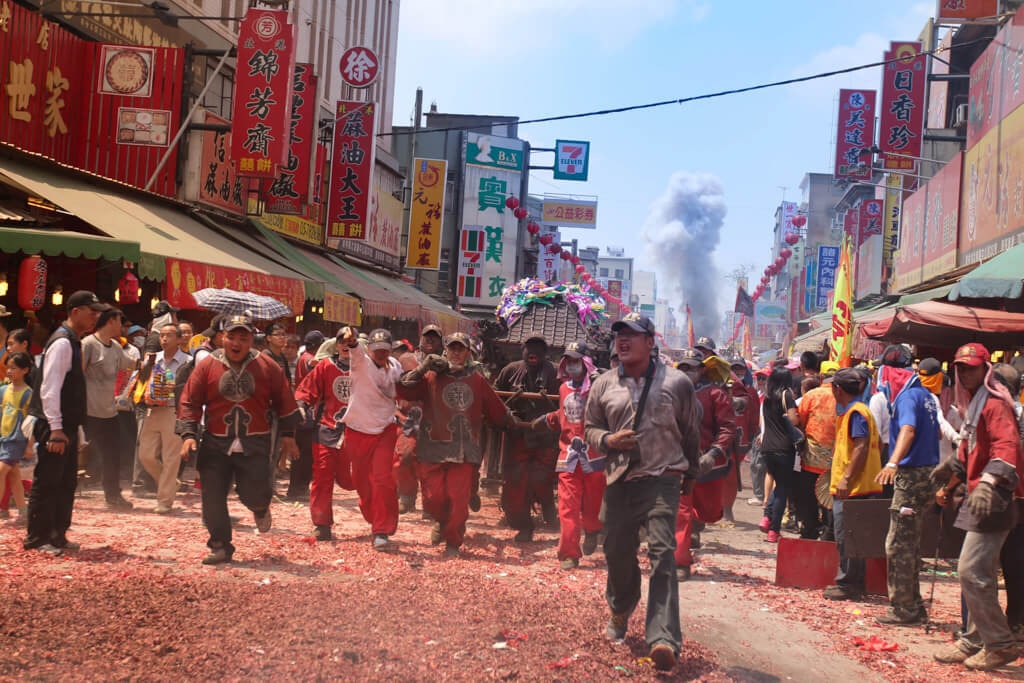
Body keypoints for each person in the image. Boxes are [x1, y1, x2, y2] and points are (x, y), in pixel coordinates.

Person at [584, 313, 700, 672]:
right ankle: (621, 606)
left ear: (651, 342)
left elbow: (690, 431)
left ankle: (663, 638)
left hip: (663, 476)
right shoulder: (603, 384)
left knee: (664, 553)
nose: (623, 340)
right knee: (616, 549)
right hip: (619, 478)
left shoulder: (677, 383)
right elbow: (590, 428)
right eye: (620, 334)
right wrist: (607, 440)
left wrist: (692, 473)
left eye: (633, 335)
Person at [176, 314, 299, 564]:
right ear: (222, 338)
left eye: (243, 338)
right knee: (212, 495)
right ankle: (220, 545)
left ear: (251, 340)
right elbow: (190, 400)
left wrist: (288, 436)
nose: (236, 343)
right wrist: (188, 434)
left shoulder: (267, 366)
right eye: (231, 337)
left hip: (255, 441)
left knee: (253, 492)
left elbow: (285, 399)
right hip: (215, 440)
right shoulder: (207, 365)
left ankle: (260, 507)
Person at [933, 344, 1024, 671]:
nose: (964, 373)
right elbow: (972, 446)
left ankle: (998, 643)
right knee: (977, 572)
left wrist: (987, 483)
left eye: (970, 368)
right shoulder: (975, 402)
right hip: (978, 494)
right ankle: (975, 639)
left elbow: (1006, 447)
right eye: (960, 368)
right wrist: (953, 468)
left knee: (971, 571)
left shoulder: (995, 404)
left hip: (994, 497)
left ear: (985, 369)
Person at [397, 333, 517, 556]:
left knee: (458, 500)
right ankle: (441, 523)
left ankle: (453, 540)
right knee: (432, 499)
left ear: (468, 353)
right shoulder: (431, 376)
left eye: (460, 349)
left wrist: (512, 421)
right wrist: (422, 368)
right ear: (445, 350)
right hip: (433, 449)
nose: (455, 352)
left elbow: (495, 409)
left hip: (463, 452)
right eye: (452, 348)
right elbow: (402, 388)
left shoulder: (477, 380)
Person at [24, 290, 107, 556]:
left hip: (67, 425)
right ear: (75, 312)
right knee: (48, 480)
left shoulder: (74, 341)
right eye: (91, 311)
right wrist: (57, 429)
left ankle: (58, 533)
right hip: (53, 425)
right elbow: (50, 388)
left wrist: (74, 428)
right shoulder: (61, 342)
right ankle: (37, 538)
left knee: (66, 481)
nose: (95, 316)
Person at [874, 346, 940, 626]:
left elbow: (908, 430)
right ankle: (913, 605)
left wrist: (892, 462)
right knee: (910, 543)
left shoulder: (907, 397)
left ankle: (903, 609)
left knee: (898, 543)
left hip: (911, 475)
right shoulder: (926, 395)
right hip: (928, 472)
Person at [531, 342, 606, 569]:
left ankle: (593, 530)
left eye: (576, 361)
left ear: (586, 363)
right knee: (567, 507)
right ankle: (570, 553)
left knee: (593, 506)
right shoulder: (564, 388)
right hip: (568, 457)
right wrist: (548, 419)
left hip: (594, 457)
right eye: (569, 361)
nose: (572, 365)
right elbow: (564, 413)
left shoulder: (600, 386)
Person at [338, 326, 402, 550]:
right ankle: (374, 515)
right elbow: (354, 349)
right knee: (362, 483)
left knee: (382, 478)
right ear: (368, 349)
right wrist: (351, 339)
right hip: (357, 430)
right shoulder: (360, 362)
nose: (381, 353)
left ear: (390, 349)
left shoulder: (396, 367)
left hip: (385, 429)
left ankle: (381, 530)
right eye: (376, 349)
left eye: (385, 349)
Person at [674, 348, 736, 579]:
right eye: (683, 367)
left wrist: (714, 453)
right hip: (678, 463)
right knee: (680, 513)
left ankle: (697, 523)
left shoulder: (715, 394)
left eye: (692, 367)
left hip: (708, 463)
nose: (688, 371)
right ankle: (680, 561)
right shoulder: (670, 392)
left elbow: (728, 427)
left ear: (702, 370)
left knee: (709, 512)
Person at [823, 368, 882, 601]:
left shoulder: (856, 413)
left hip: (854, 487)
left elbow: (861, 445)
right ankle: (853, 583)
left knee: (847, 537)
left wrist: (846, 477)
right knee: (853, 538)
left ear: (838, 390)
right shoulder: (858, 411)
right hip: (860, 485)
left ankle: (849, 584)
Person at [494, 332, 560, 542]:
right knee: (515, 483)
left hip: (545, 439)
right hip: (518, 437)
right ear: (523, 350)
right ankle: (523, 525)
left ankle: (548, 509)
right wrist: (507, 414)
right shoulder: (510, 371)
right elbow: (495, 396)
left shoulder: (556, 372)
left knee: (542, 480)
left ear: (545, 352)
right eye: (529, 347)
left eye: (538, 348)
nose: (533, 352)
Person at [294, 329, 354, 540]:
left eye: (351, 341)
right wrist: (301, 405)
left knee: (353, 481)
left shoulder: (366, 368)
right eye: (342, 341)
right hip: (327, 429)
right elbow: (306, 390)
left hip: (358, 432)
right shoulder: (326, 366)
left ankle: (377, 522)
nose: (346, 345)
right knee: (321, 477)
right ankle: (321, 524)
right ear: (336, 344)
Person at [82, 307, 137, 509]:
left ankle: (113, 494)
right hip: (88, 411)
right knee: (79, 452)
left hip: (109, 411)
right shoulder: (88, 344)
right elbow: (77, 375)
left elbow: (130, 364)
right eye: (120, 322)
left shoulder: (114, 346)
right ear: (111, 321)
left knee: (112, 454)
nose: (122, 328)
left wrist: (151, 362)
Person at [136, 323, 191, 514]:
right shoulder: (152, 359)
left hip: (174, 411)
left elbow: (193, 389)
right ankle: (170, 483)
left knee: (170, 458)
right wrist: (142, 391)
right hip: (152, 410)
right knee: (146, 454)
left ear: (179, 339)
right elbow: (140, 382)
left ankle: (165, 501)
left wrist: (175, 388)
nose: (165, 339)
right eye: (162, 336)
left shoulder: (188, 361)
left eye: (169, 335)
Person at [393, 325, 444, 514]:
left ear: (441, 342)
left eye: (434, 337)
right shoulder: (405, 360)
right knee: (405, 457)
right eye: (426, 337)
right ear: (420, 340)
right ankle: (407, 496)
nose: (430, 341)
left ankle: (430, 504)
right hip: (408, 419)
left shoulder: (445, 364)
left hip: (436, 421)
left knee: (432, 465)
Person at [758, 367, 799, 543]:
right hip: (783, 448)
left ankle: (766, 517)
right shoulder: (786, 396)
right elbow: (794, 420)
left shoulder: (766, 398)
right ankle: (774, 530)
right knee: (782, 489)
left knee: (778, 483)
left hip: (767, 447)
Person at [795, 373, 837, 539]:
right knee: (829, 499)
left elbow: (801, 422)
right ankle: (828, 532)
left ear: (822, 378)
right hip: (834, 460)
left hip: (811, 458)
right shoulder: (844, 397)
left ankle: (809, 529)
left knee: (809, 496)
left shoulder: (811, 395)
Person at [0, 352, 34, 522]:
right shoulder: (3, 391)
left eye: (14, 368)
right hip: (3, 438)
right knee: (14, 476)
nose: (9, 371)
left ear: (25, 370)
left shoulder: (29, 394)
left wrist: (29, 445)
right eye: (8, 367)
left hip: (17, 440)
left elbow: (32, 423)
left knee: (1, 471)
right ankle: (23, 512)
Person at [726, 355, 760, 518]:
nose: (737, 372)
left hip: (741, 439)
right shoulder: (721, 389)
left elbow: (754, 416)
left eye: (740, 369)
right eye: (734, 369)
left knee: (732, 474)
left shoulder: (751, 392)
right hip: (722, 437)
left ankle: (727, 508)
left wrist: (752, 434)